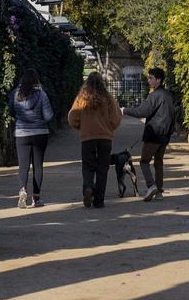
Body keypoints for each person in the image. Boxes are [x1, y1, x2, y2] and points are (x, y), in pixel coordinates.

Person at [67, 72, 123, 208]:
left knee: (88, 166)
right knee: (103, 169)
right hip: (105, 138)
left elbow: (72, 116)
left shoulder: (82, 98)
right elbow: (116, 117)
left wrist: (80, 127)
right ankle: (99, 200)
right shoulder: (108, 99)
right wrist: (110, 128)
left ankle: (89, 187)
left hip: (87, 137)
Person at [122, 67, 176, 201]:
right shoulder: (168, 95)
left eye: (151, 78)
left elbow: (142, 112)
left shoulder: (154, 95)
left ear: (158, 80)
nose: (149, 80)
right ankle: (159, 191)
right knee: (158, 162)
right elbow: (172, 115)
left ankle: (151, 186)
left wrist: (124, 110)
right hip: (165, 135)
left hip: (154, 134)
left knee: (144, 161)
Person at [9, 68, 53, 208]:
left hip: (22, 133)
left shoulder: (16, 94)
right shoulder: (42, 95)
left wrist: (21, 119)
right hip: (40, 133)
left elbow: (11, 111)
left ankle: (22, 191)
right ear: (36, 80)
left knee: (23, 166)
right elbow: (48, 116)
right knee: (38, 166)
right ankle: (36, 198)